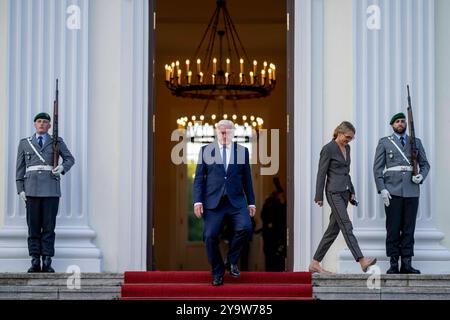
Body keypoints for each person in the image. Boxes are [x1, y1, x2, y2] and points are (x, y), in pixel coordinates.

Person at [193, 119, 256, 286]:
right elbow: (199, 178)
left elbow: (247, 179)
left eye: (228, 130)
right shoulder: (206, 150)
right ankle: (218, 271)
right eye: (221, 130)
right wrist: (197, 201)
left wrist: (251, 203)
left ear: (233, 132)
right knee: (209, 236)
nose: (224, 133)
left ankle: (231, 260)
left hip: (236, 201)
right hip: (213, 202)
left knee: (246, 228)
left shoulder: (242, 151)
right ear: (216, 132)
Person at [309, 121, 377, 274]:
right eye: (347, 137)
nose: (349, 140)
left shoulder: (347, 148)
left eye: (351, 138)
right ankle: (362, 260)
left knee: (332, 230)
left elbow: (346, 172)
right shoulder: (328, 149)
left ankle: (314, 263)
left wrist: (352, 191)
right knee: (346, 225)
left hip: (345, 192)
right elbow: (321, 173)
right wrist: (318, 195)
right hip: (333, 192)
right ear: (339, 133)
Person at [16, 112, 75, 272]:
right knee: (33, 227)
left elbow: (70, 159)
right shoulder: (25, 143)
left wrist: (62, 167)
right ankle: (35, 260)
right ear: (35, 124)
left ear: (50, 125)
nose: (42, 124)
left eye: (45, 122)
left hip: (50, 190)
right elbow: (20, 169)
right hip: (31, 190)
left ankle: (47, 260)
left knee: (49, 227)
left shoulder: (56, 142)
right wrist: (20, 189)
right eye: (39, 121)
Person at [373, 112, 430, 274]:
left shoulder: (416, 142)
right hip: (392, 190)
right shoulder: (385, 143)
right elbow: (377, 169)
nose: (400, 123)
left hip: (412, 190)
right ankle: (393, 263)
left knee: (408, 228)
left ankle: (406, 262)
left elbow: (425, 164)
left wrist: (421, 176)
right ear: (392, 125)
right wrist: (382, 188)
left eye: (403, 121)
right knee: (393, 228)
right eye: (397, 121)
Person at [260, 177, 286, 271]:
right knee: (269, 254)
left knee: (276, 255)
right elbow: (263, 216)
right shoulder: (270, 203)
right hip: (270, 234)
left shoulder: (280, 204)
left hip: (277, 234)